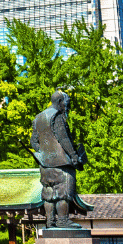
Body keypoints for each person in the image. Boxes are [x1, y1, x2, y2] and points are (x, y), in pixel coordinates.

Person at [32, 89, 89, 228]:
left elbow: (33, 142)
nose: (68, 107)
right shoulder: (57, 116)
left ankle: (50, 221)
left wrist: (45, 153)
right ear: (59, 102)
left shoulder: (38, 118)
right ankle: (63, 220)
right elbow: (63, 138)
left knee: (49, 192)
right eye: (67, 103)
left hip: (45, 164)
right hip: (61, 162)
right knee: (63, 192)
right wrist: (74, 155)